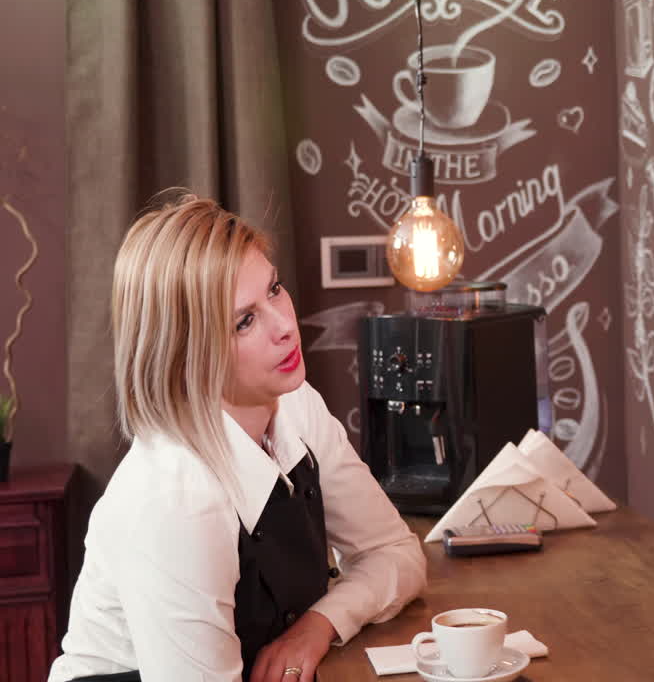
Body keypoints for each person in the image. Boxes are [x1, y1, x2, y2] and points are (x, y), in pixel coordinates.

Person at [49, 194, 428, 682]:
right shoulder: (176, 497)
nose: (286, 326)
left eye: (274, 289)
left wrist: (318, 624)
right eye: (244, 321)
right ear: (187, 355)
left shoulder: (295, 405)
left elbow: (396, 554)